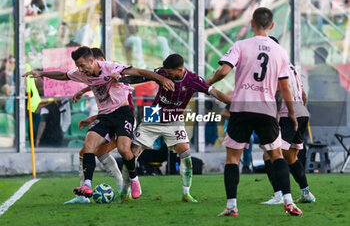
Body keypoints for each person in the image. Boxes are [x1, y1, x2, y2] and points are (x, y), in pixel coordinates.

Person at [23, 46, 174, 200]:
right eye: (78, 66)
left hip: (123, 113)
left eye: (82, 65)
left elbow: (140, 72)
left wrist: (162, 79)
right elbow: (63, 75)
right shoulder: (83, 73)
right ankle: (87, 185)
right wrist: (41, 73)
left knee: (123, 149)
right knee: (88, 145)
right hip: (104, 116)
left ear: (92, 61)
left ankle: (134, 180)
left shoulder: (111, 68)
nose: (80, 70)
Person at [207, 7, 302, 216]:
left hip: (241, 107)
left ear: (252, 23)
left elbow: (223, 71)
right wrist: (292, 113)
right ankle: (289, 201)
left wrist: (210, 81)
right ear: (272, 25)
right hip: (266, 108)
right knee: (276, 155)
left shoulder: (241, 45)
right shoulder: (280, 51)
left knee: (232, 158)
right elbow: (284, 87)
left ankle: (232, 206)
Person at [124, 53, 231, 202]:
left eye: (169, 73)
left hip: (174, 118)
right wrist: (122, 79)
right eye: (165, 72)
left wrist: (234, 104)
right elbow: (141, 76)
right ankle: (124, 192)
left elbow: (215, 92)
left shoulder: (193, 80)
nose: (166, 75)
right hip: (154, 114)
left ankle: (186, 194)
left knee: (185, 154)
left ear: (180, 70)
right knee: (132, 154)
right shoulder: (162, 72)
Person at [64, 47, 132, 204]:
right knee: (88, 151)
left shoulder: (120, 84)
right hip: (108, 120)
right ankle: (85, 193)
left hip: (123, 121)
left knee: (96, 150)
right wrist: (83, 91)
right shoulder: (101, 79)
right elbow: (107, 108)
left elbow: (116, 109)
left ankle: (124, 187)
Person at [262, 36, 315, 205]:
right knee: (291, 157)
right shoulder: (290, 66)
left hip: (288, 114)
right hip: (302, 113)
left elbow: (279, 92)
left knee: (269, 154)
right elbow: (304, 94)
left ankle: (279, 195)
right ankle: (306, 193)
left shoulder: (276, 65)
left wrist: (277, 115)